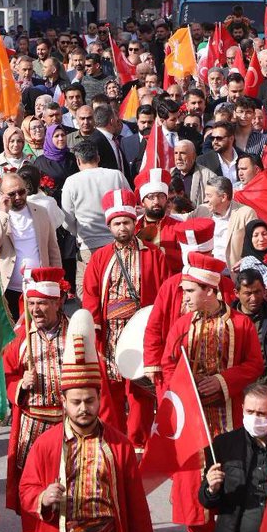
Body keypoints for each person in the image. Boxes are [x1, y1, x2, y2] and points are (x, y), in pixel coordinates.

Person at [18, 310, 155, 532]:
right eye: (76, 402)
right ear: (64, 402)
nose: (84, 408)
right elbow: (26, 489)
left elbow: (136, 506)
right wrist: (43, 498)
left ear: (99, 398)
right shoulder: (46, 445)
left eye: (90, 400)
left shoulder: (118, 445)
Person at [162, 253, 265, 532]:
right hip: (191, 427)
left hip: (229, 420)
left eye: (190, 290)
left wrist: (222, 381)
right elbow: (168, 366)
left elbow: (254, 364)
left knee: (233, 499)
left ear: (210, 291)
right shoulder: (181, 326)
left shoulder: (242, 325)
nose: (184, 297)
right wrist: (183, 389)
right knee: (197, 509)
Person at [83, 189, 168, 448]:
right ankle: (113, 441)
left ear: (135, 223)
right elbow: (90, 294)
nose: (122, 227)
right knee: (111, 390)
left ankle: (139, 441)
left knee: (140, 389)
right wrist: (95, 330)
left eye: (126, 222)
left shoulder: (153, 254)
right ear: (110, 226)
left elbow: (164, 292)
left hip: (142, 331)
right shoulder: (100, 257)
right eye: (117, 223)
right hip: (109, 332)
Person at [1, 268, 69, 530]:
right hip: (33, 425)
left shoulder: (74, 332)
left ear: (56, 302)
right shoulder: (20, 339)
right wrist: (19, 384)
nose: (36, 310)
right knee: (32, 485)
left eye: (42, 303)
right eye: (31, 304)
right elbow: (6, 375)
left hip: (66, 424)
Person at [199, 381, 267, 532]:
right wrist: (211, 489)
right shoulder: (224, 445)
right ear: (242, 409)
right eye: (249, 412)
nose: (254, 417)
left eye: (261, 413)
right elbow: (206, 501)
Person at [61, 140, 132, 288]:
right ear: (98, 158)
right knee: (117, 288)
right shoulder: (116, 176)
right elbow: (130, 203)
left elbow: (66, 219)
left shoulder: (71, 181)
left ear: (78, 161)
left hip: (89, 244)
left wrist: (79, 232)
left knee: (87, 289)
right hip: (116, 240)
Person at [0, 172, 62, 317]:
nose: (18, 197)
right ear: (1, 194)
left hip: (38, 286)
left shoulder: (40, 211)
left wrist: (57, 281)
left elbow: (52, 248)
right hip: (8, 289)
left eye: (21, 192)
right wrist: (4, 214)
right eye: (12, 194)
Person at [190, 176, 257, 269]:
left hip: (233, 275)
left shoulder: (246, 214)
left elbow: (256, 245)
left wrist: (246, 261)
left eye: (209, 196)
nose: (205, 199)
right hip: (208, 273)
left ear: (223, 197)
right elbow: (181, 219)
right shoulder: (202, 210)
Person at [33, 124, 77, 202]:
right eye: (56, 136)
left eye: (63, 135)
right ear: (49, 138)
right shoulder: (40, 162)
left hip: (74, 201)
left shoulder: (72, 158)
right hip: (52, 204)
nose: (61, 138)